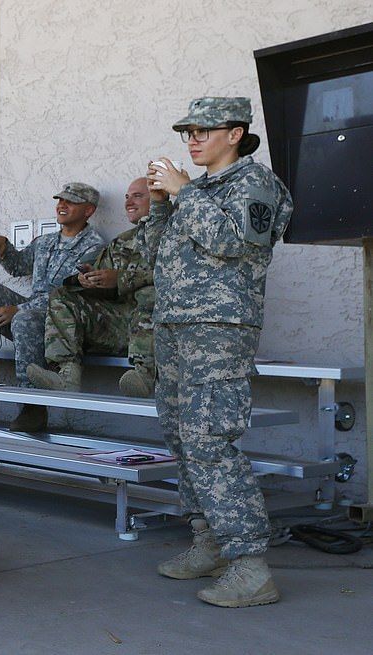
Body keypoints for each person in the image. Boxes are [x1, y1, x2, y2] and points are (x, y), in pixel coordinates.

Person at [139, 97, 292, 608]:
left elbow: (233, 244)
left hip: (219, 330)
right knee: (181, 438)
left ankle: (250, 565)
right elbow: (153, 257)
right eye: (188, 131)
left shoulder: (255, 184)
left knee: (210, 442)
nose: (192, 139)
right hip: (177, 328)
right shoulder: (197, 192)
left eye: (204, 130)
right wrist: (163, 203)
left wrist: (184, 191)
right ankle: (209, 542)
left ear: (236, 133)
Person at [0, 183, 105, 432]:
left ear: (89, 211)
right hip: (33, 310)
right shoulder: (46, 241)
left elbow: (72, 292)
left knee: (25, 319)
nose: (62, 205)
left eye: (70, 202)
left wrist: (19, 310)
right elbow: (19, 266)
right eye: (60, 200)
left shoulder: (94, 246)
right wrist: (4, 246)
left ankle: (32, 405)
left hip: (63, 321)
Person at [26, 177, 156, 397]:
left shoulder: (173, 235)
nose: (129, 202)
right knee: (63, 295)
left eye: (138, 196)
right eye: (127, 197)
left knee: (148, 294)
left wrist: (122, 278)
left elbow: (175, 276)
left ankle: (145, 374)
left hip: (155, 330)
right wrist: (86, 281)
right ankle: (66, 374)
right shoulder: (122, 242)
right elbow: (102, 282)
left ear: (159, 199)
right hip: (118, 325)